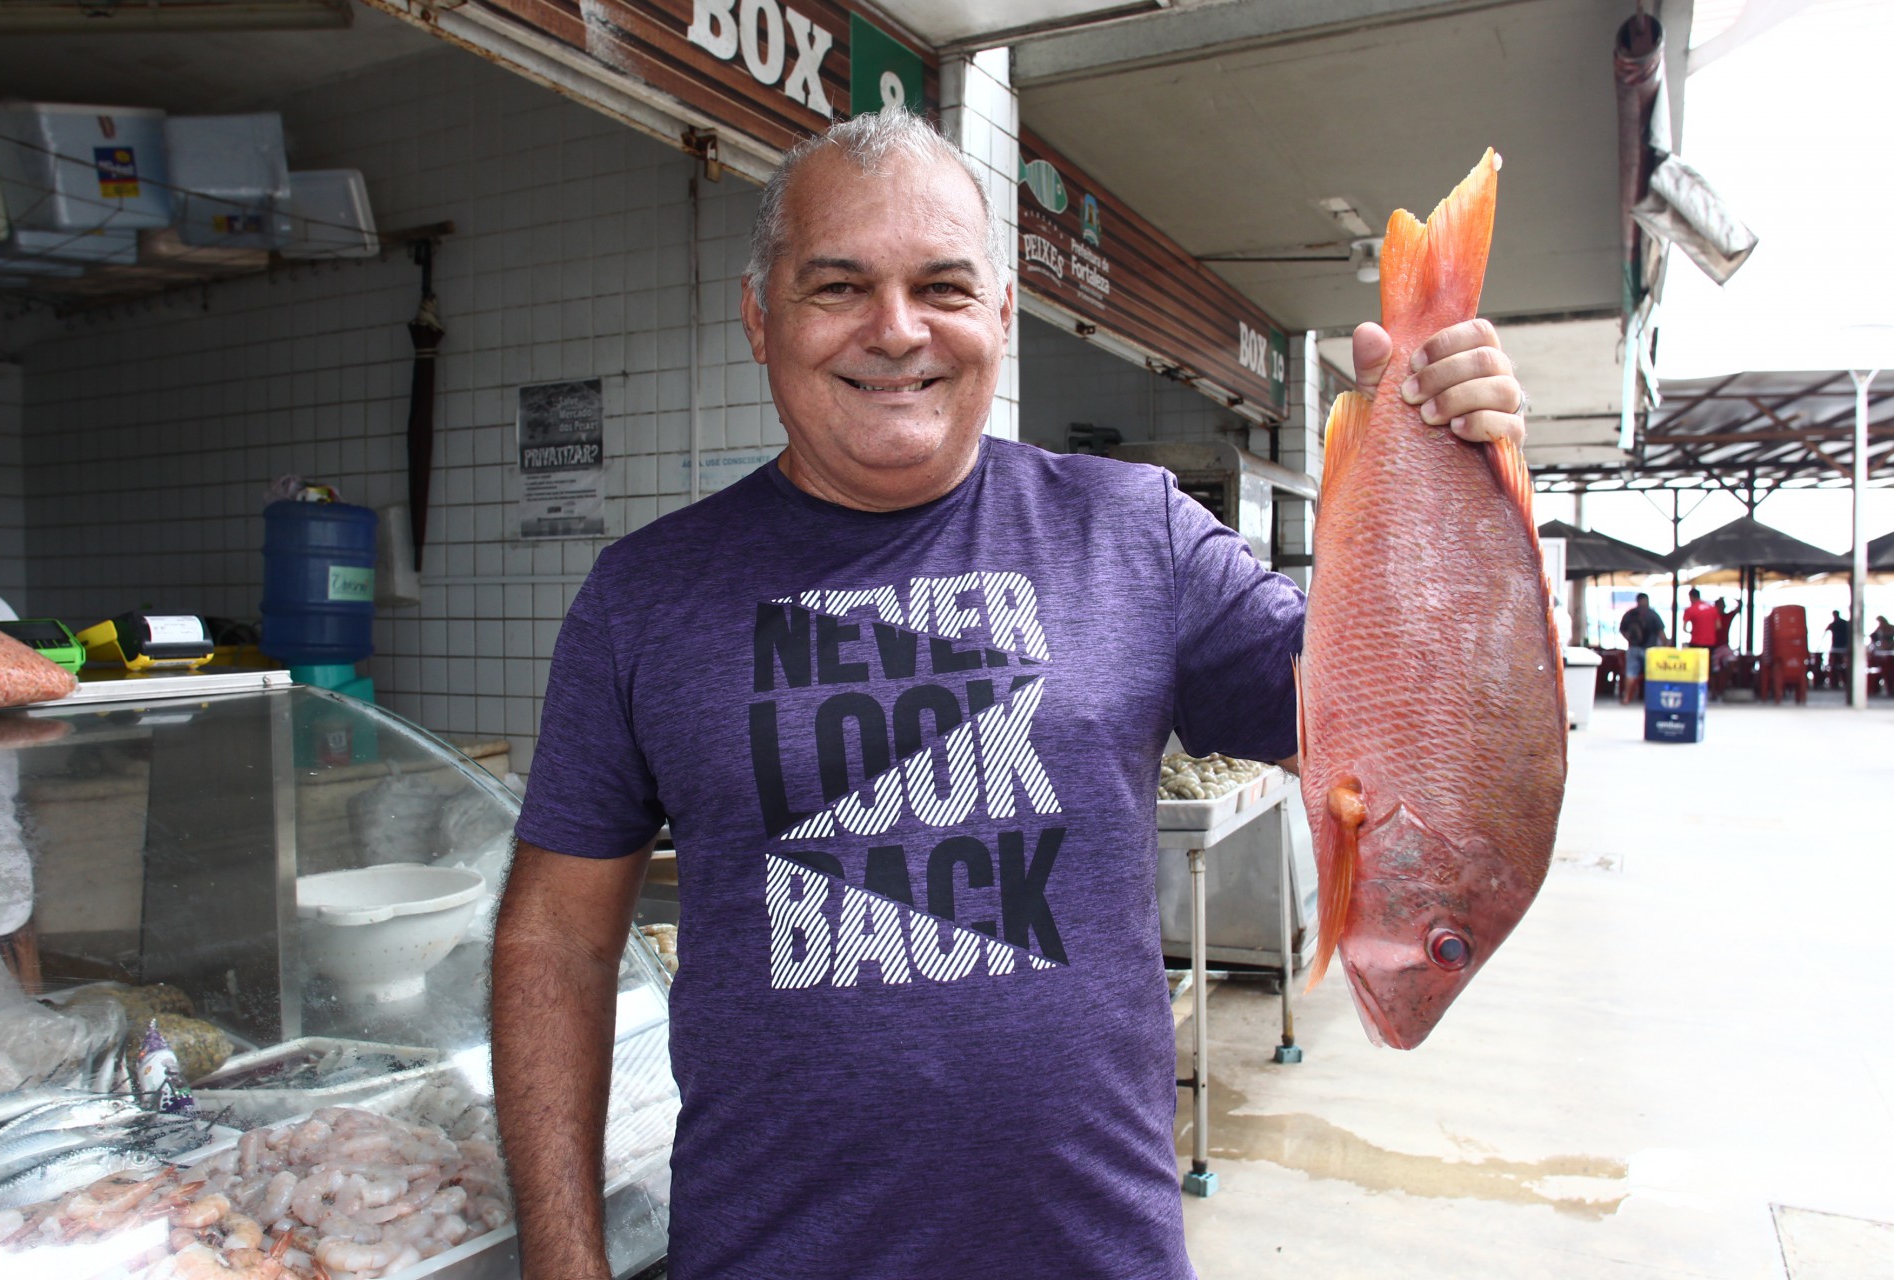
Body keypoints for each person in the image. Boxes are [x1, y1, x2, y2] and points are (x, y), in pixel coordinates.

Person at [489, 109, 1529, 1280]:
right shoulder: (642, 597)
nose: (896, 329)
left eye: (941, 285)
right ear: (759, 316)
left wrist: (1462, 471)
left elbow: (1413, 733)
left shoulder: (1136, 531)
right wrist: (561, 1262)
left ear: (999, 312)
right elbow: (555, 940)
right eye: (839, 286)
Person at [1618, 592, 1665, 704]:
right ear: (1647, 600)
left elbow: (1622, 630)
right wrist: (1666, 646)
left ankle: (1626, 697)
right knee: (1652, 674)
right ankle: (1652, 698)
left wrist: (1629, 639)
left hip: (1633, 648)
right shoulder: (1653, 614)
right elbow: (1661, 633)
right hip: (1650, 650)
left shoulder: (1629, 614)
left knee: (1630, 673)